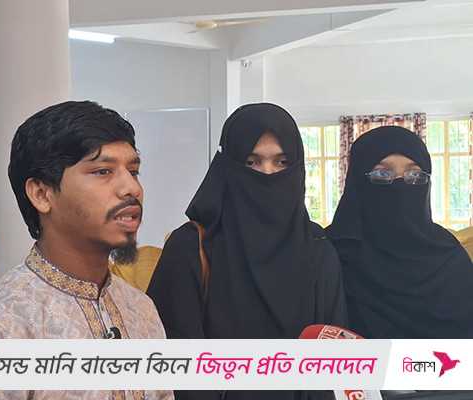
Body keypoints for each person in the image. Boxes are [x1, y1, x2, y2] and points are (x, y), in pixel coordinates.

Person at [0, 101, 172, 400]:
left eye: (134, 170)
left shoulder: (141, 310)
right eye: (103, 171)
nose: (131, 188)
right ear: (42, 194)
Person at [147, 103, 346, 400]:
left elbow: (332, 364)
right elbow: (176, 366)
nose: (268, 174)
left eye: (281, 162)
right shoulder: (190, 247)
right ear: (227, 167)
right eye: (252, 162)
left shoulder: (317, 248)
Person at [326, 125, 473, 338]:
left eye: (414, 174)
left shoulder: (448, 256)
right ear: (356, 181)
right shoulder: (330, 255)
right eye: (382, 173)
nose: (401, 185)